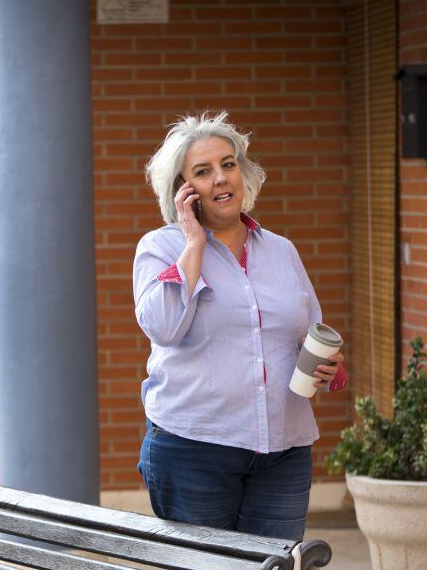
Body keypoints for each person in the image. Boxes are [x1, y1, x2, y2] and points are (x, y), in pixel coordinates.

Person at [133, 112, 346, 542]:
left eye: (228, 165)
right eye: (203, 171)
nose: (221, 179)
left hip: (282, 451)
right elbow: (163, 327)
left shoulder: (281, 251)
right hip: (194, 448)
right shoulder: (161, 247)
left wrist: (328, 365)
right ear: (183, 189)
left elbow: (309, 329)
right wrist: (194, 243)